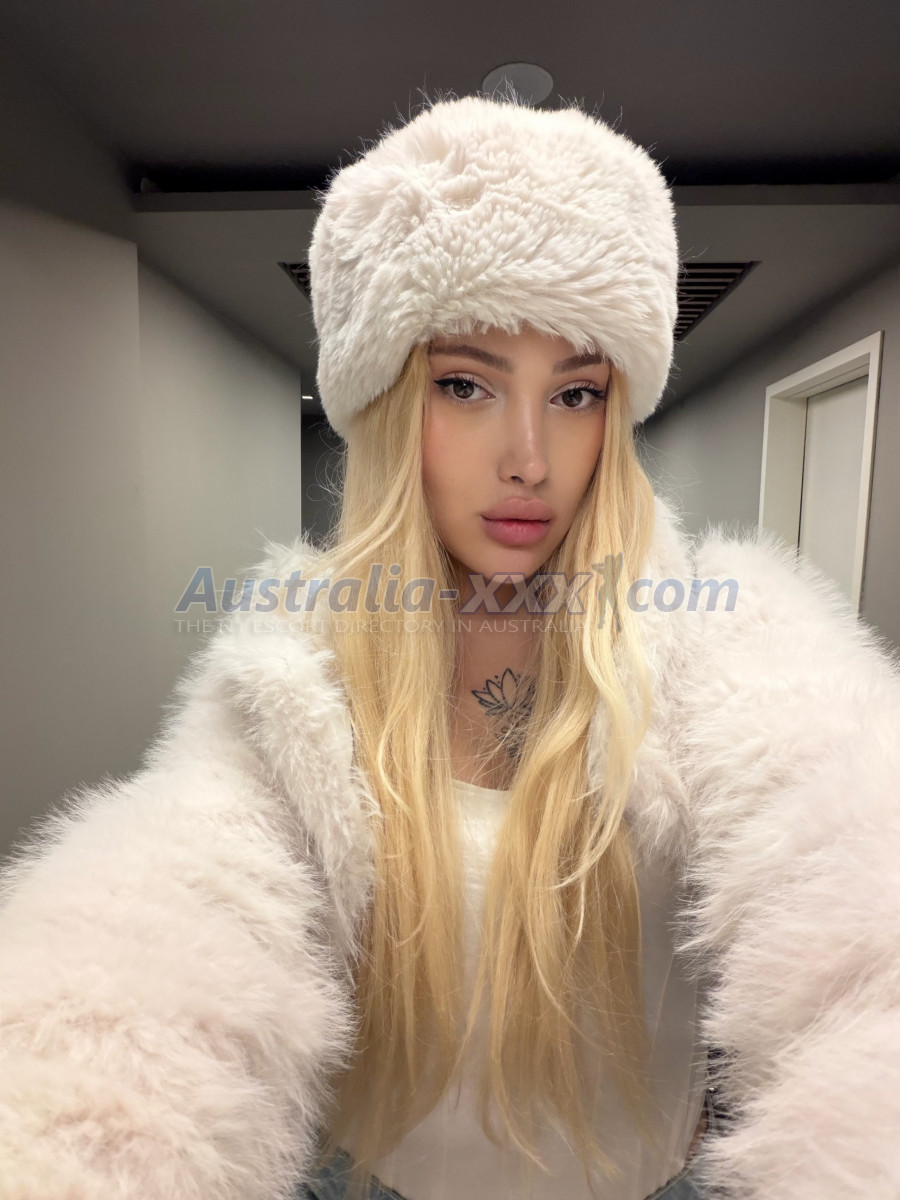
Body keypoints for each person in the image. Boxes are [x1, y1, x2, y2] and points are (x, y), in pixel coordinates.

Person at [1, 90, 899, 1200]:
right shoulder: (303, 670)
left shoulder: (729, 638)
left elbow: (864, 878)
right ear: (387, 404)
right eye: (466, 386)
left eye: (576, 393)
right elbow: (163, 914)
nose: (530, 457)